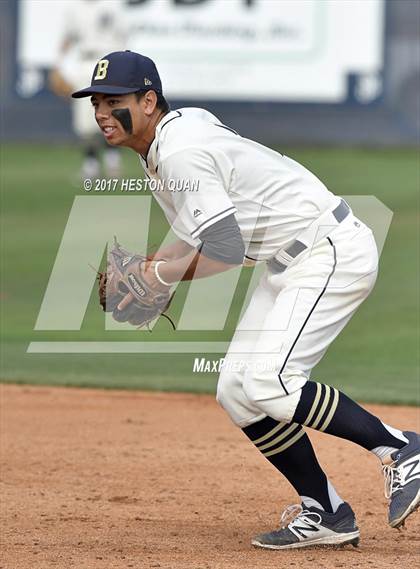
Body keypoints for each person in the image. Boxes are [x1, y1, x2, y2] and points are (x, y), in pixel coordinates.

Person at [72, 51, 420, 550]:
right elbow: (196, 230)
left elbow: (227, 251)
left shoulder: (178, 152)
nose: (103, 112)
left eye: (115, 101)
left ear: (149, 101)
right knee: (237, 390)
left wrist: (161, 277)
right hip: (289, 262)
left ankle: (401, 448)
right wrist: (155, 268)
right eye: (98, 103)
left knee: (269, 381)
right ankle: (326, 512)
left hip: (327, 252)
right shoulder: (170, 137)